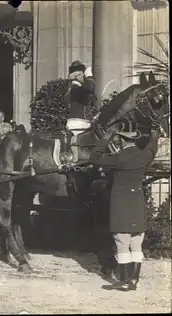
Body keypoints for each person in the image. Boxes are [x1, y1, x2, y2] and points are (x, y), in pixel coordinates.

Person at [89, 120, 159, 291]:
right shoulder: (144, 156)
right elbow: (152, 147)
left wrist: (105, 138)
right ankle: (134, 280)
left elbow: (94, 158)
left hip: (121, 205)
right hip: (137, 203)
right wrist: (154, 136)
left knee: (122, 242)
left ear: (120, 140)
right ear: (135, 138)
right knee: (136, 242)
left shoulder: (118, 158)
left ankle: (124, 280)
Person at [65, 60, 96, 161]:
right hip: (80, 124)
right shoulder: (76, 88)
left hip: (73, 124)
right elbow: (91, 87)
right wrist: (89, 77)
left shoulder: (70, 89)